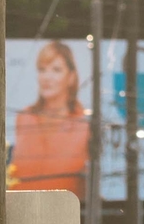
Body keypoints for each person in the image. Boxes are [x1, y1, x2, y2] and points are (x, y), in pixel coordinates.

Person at [11, 36, 88, 193]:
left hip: (67, 211)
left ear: (71, 77)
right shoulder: (24, 117)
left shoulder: (84, 124)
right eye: (42, 70)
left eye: (56, 70)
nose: (47, 77)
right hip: (21, 210)